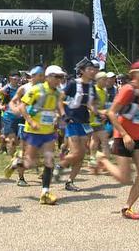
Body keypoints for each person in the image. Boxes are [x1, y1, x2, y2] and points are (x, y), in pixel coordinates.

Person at [95, 60, 139, 219]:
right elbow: (112, 113)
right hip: (123, 137)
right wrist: (125, 135)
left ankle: (127, 207)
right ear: (134, 74)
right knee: (124, 178)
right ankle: (103, 160)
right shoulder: (128, 89)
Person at [6, 65, 66, 205]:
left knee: (49, 161)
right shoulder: (36, 90)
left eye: (61, 77)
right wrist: (31, 121)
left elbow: (58, 106)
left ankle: (45, 192)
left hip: (49, 132)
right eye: (57, 77)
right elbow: (22, 106)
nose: (59, 80)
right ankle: (17, 162)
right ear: (49, 77)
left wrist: (61, 116)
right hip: (33, 131)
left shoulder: (57, 92)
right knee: (30, 163)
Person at [53, 58, 98, 192]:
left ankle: (69, 181)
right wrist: (63, 116)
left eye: (94, 69)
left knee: (82, 154)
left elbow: (90, 104)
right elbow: (59, 100)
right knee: (76, 152)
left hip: (84, 122)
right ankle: (59, 166)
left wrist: (99, 112)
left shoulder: (91, 87)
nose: (93, 71)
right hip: (72, 121)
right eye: (89, 69)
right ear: (82, 71)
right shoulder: (73, 84)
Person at [4, 66, 46, 186]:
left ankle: (21, 164)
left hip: (41, 123)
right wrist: (16, 110)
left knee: (40, 150)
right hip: (25, 122)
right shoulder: (24, 88)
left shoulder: (46, 88)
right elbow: (12, 101)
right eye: (38, 75)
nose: (41, 77)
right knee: (26, 150)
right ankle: (21, 178)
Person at [88, 72, 111, 169]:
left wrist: (105, 114)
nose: (106, 82)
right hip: (92, 117)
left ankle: (97, 160)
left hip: (100, 118)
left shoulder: (104, 91)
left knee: (99, 140)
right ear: (98, 80)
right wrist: (100, 113)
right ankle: (97, 160)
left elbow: (104, 104)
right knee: (98, 140)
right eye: (104, 79)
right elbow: (90, 106)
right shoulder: (93, 90)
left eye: (107, 79)